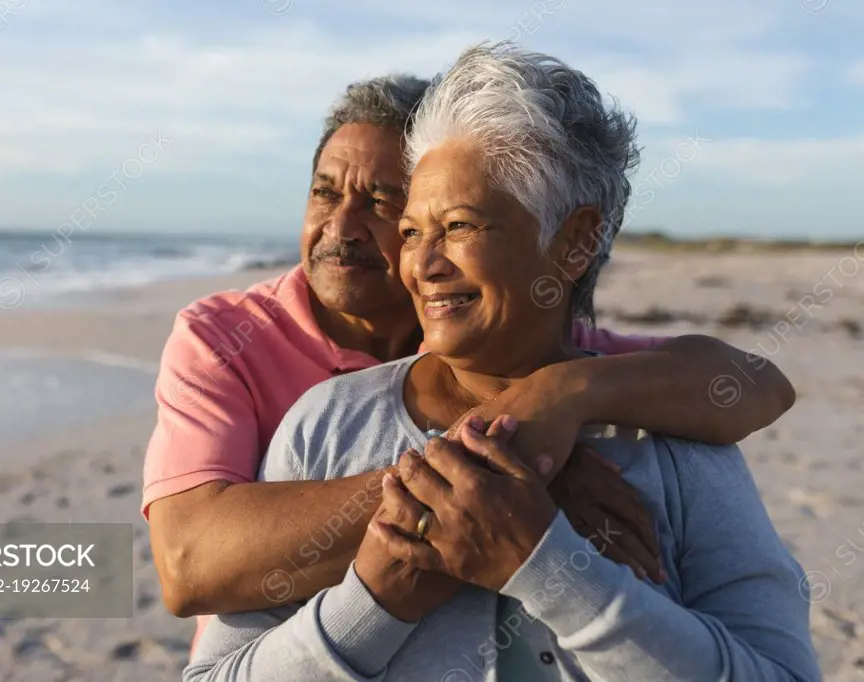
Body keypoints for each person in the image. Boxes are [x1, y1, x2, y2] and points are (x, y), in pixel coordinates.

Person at [182, 43, 821, 681]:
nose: (424, 265)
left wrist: (544, 564)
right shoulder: (326, 423)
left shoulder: (674, 441)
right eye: (411, 231)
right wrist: (375, 601)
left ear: (575, 243)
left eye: (459, 227)